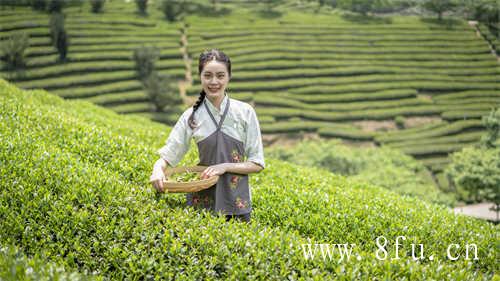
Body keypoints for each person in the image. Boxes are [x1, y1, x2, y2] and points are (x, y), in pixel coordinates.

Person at [150, 49, 265, 223]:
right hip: (202, 203)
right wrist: (157, 170)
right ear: (200, 77)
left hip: (237, 203)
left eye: (220, 76)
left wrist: (224, 166)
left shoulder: (245, 112)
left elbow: (257, 163)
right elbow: (169, 154)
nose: (214, 82)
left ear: (228, 77)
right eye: (208, 75)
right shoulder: (191, 116)